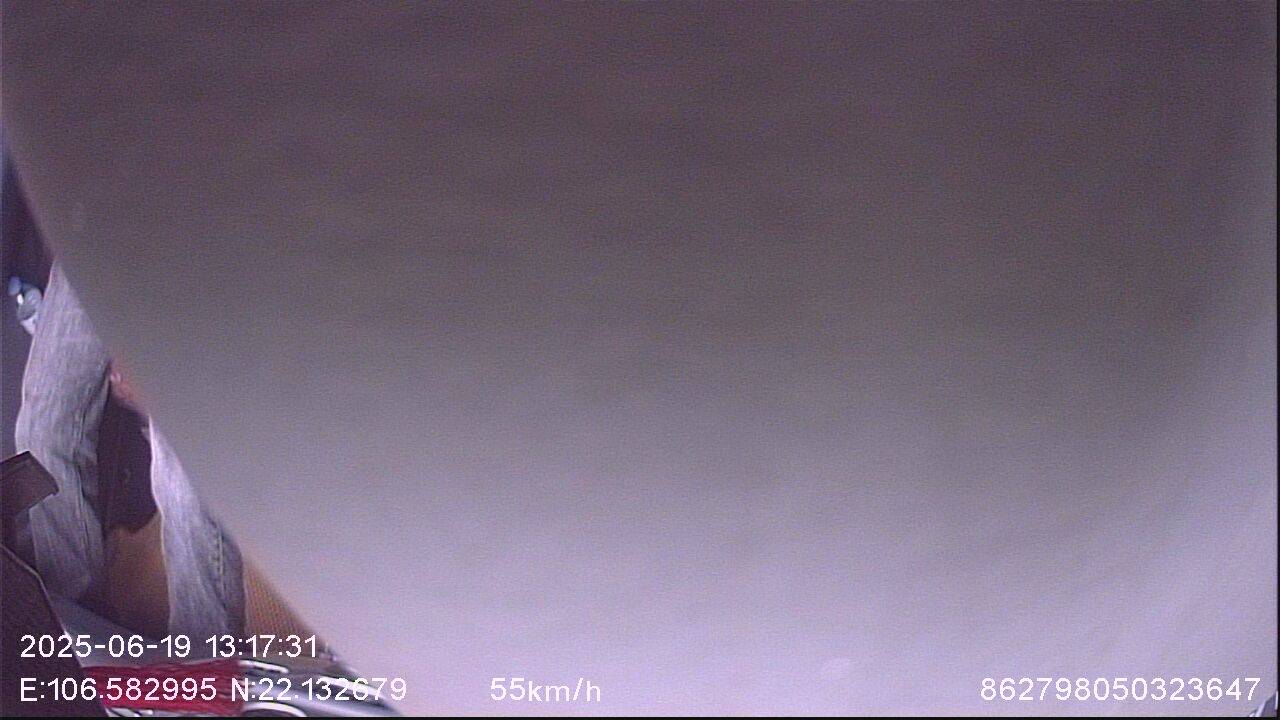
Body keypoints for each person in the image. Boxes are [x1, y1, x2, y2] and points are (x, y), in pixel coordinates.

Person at [14, 262, 244, 643]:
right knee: (42, 431)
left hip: (194, 246)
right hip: (92, 240)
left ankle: (207, 655)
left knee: (179, 470)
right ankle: (83, 637)